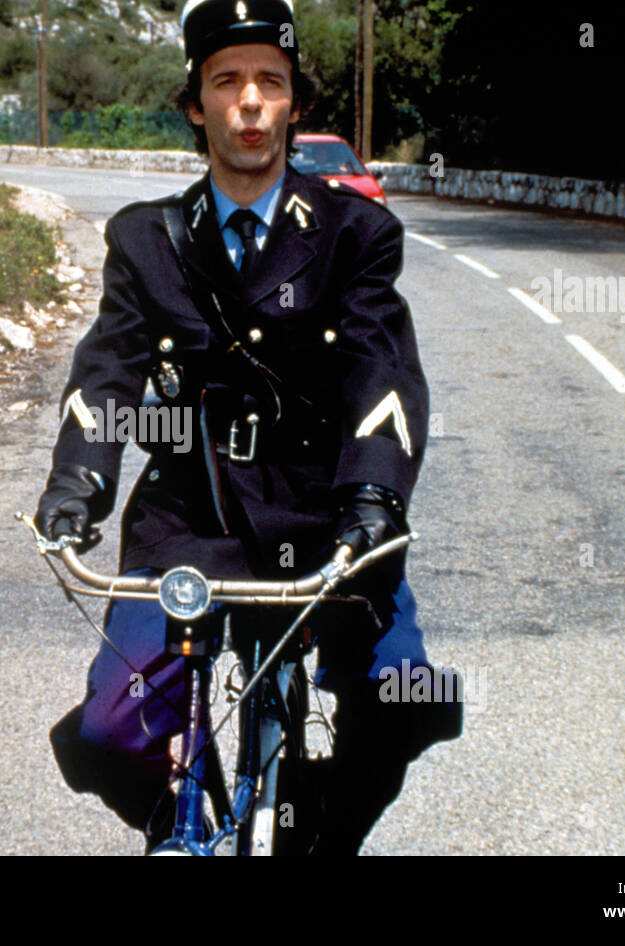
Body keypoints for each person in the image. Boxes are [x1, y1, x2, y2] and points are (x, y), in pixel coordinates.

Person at [34, 0, 462, 854]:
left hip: (328, 516)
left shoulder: (356, 232)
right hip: (190, 518)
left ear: (295, 101)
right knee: (106, 734)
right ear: (196, 104)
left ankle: (319, 830)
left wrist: (374, 495)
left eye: (271, 80)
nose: (252, 101)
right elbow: (108, 370)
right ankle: (182, 825)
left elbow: (383, 369)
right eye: (227, 81)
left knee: (406, 696)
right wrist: (79, 483)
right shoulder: (146, 238)